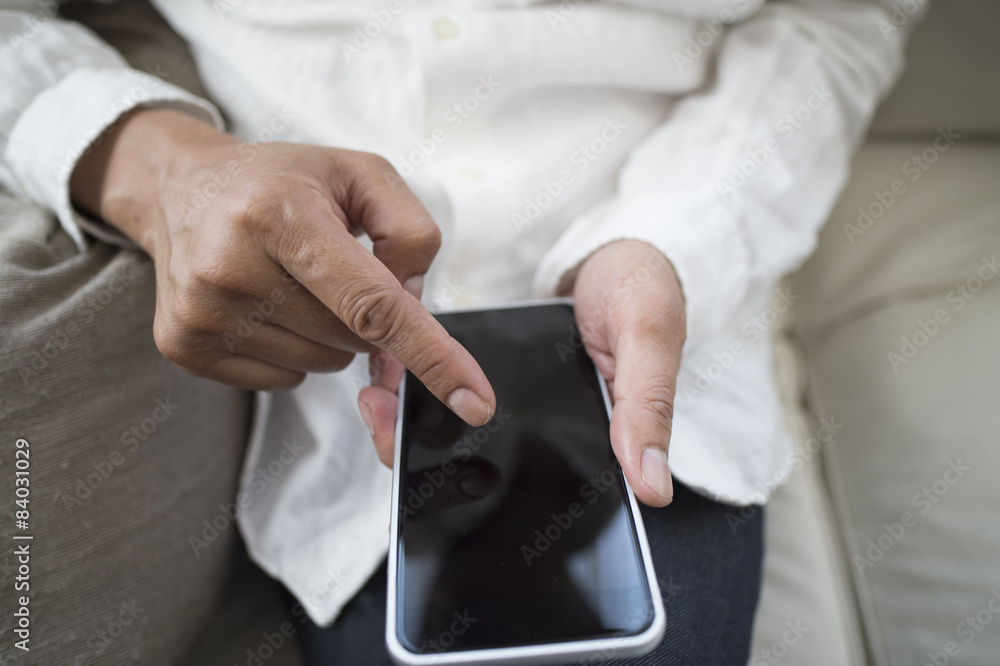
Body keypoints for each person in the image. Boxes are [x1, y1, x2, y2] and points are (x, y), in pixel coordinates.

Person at [0, 0, 916, 662]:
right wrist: (161, 171)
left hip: (658, 343)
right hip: (344, 405)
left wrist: (674, 238)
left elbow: (846, 17)